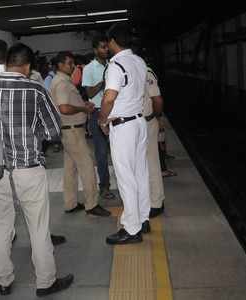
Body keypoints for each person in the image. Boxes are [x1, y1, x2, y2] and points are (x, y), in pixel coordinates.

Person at [0, 43, 73, 297]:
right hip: (28, 168)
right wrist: (31, 135)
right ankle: (45, 282)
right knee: (37, 226)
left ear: (6, 63)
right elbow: (53, 131)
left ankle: (3, 281)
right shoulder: (35, 88)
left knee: (1, 226)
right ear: (27, 66)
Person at [99, 24, 150, 245]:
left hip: (123, 127)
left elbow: (109, 98)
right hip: (139, 123)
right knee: (140, 173)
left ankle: (131, 229)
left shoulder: (116, 65)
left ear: (112, 42)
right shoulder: (139, 61)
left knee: (126, 176)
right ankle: (143, 218)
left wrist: (102, 119)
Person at [50, 51, 111, 217]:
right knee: (87, 166)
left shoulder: (62, 81)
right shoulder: (62, 83)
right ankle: (92, 204)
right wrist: (84, 108)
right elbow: (63, 108)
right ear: (60, 65)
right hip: (73, 132)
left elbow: (66, 104)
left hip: (69, 131)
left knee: (70, 169)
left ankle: (70, 203)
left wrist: (81, 104)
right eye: (69, 63)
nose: (72, 66)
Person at [82, 35, 116, 200]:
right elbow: (89, 93)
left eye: (107, 47)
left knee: (118, 151)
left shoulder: (113, 65)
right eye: (102, 47)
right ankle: (104, 186)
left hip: (113, 111)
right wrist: (104, 81)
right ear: (95, 50)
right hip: (97, 112)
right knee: (101, 153)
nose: (106, 49)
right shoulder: (89, 69)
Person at [144, 67, 166, 218]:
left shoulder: (146, 72)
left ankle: (157, 203)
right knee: (143, 165)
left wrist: (154, 116)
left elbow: (157, 99)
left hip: (147, 122)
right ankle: (150, 198)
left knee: (152, 163)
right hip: (137, 125)